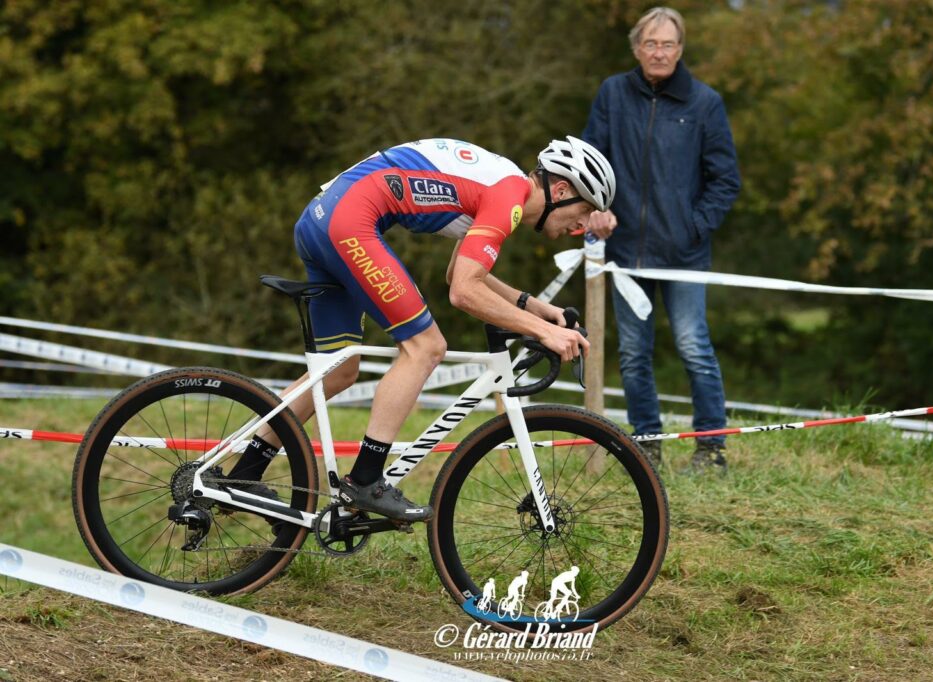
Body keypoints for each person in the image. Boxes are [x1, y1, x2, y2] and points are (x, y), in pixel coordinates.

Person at [225, 136, 615, 521]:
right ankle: (365, 480)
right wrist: (545, 332)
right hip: (349, 222)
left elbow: (457, 274)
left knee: (338, 370)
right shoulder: (508, 195)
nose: (583, 223)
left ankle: (242, 475)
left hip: (324, 220)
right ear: (560, 190)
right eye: (585, 209)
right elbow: (464, 292)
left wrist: (541, 312)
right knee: (425, 347)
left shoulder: (501, 185)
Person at [582, 7, 740, 473]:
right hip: (625, 252)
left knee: (694, 347)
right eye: (650, 43)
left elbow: (725, 180)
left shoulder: (704, 102)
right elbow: (591, 161)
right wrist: (598, 208)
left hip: (684, 255)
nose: (659, 52)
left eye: (668, 44)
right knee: (633, 355)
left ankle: (711, 450)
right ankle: (646, 447)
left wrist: (694, 225)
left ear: (680, 49)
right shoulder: (613, 93)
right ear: (636, 48)